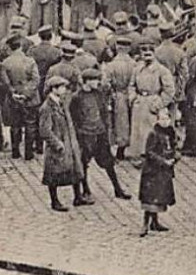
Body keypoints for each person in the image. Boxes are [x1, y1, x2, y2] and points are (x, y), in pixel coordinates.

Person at [70, 68, 129, 200]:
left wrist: (105, 130)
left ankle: (117, 189)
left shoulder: (98, 93)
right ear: (86, 81)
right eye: (95, 80)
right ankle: (85, 189)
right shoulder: (77, 98)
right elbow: (74, 119)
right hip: (86, 136)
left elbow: (103, 112)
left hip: (100, 134)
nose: (98, 82)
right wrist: (80, 136)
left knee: (108, 163)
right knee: (83, 163)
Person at [39, 74, 85, 212]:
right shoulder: (47, 107)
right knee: (53, 174)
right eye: (62, 87)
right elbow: (44, 130)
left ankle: (78, 196)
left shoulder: (62, 102)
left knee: (75, 168)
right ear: (54, 89)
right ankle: (54, 201)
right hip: (58, 146)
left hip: (68, 141)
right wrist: (57, 144)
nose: (65, 89)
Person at [138, 108, 178, 237]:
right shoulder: (153, 134)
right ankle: (145, 224)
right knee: (150, 200)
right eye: (162, 119)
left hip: (163, 172)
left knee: (159, 197)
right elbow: (149, 152)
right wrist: (163, 161)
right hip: (152, 171)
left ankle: (154, 222)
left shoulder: (171, 133)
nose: (165, 122)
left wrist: (175, 157)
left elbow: (173, 147)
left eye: (167, 119)